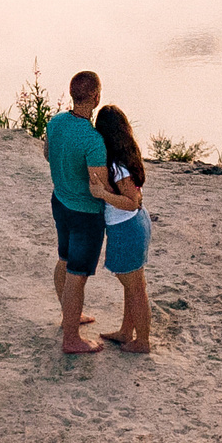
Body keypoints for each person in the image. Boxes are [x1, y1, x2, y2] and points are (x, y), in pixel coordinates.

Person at [47, 70, 112, 354]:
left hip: (60, 201)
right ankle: (71, 338)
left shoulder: (56, 122)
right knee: (77, 274)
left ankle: (68, 316)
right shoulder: (92, 140)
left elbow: (48, 153)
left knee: (64, 259)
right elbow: (100, 185)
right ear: (96, 98)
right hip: (85, 214)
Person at [92, 105, 151, 354]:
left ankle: (143, 341)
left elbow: (130, 202)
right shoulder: (127, 156)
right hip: (136, 224)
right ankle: (127, 332)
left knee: (136, 288)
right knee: (133, 285)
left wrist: (102, 194)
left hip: (127, 227)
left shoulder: (118, 165)